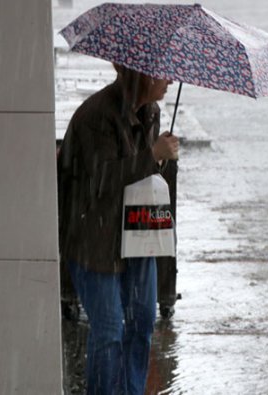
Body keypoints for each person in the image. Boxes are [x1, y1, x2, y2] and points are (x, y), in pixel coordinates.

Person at [57, 64, 178, 395]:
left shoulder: (149, 112)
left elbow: (138, 172)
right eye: (162, 74)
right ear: (142, 76)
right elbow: (101, 179)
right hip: (93, 238)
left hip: (135, 234)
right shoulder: (97, 115)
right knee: (109, 330)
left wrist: (159, 157)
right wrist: (152, 155)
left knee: (141, 323)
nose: (169, 81)